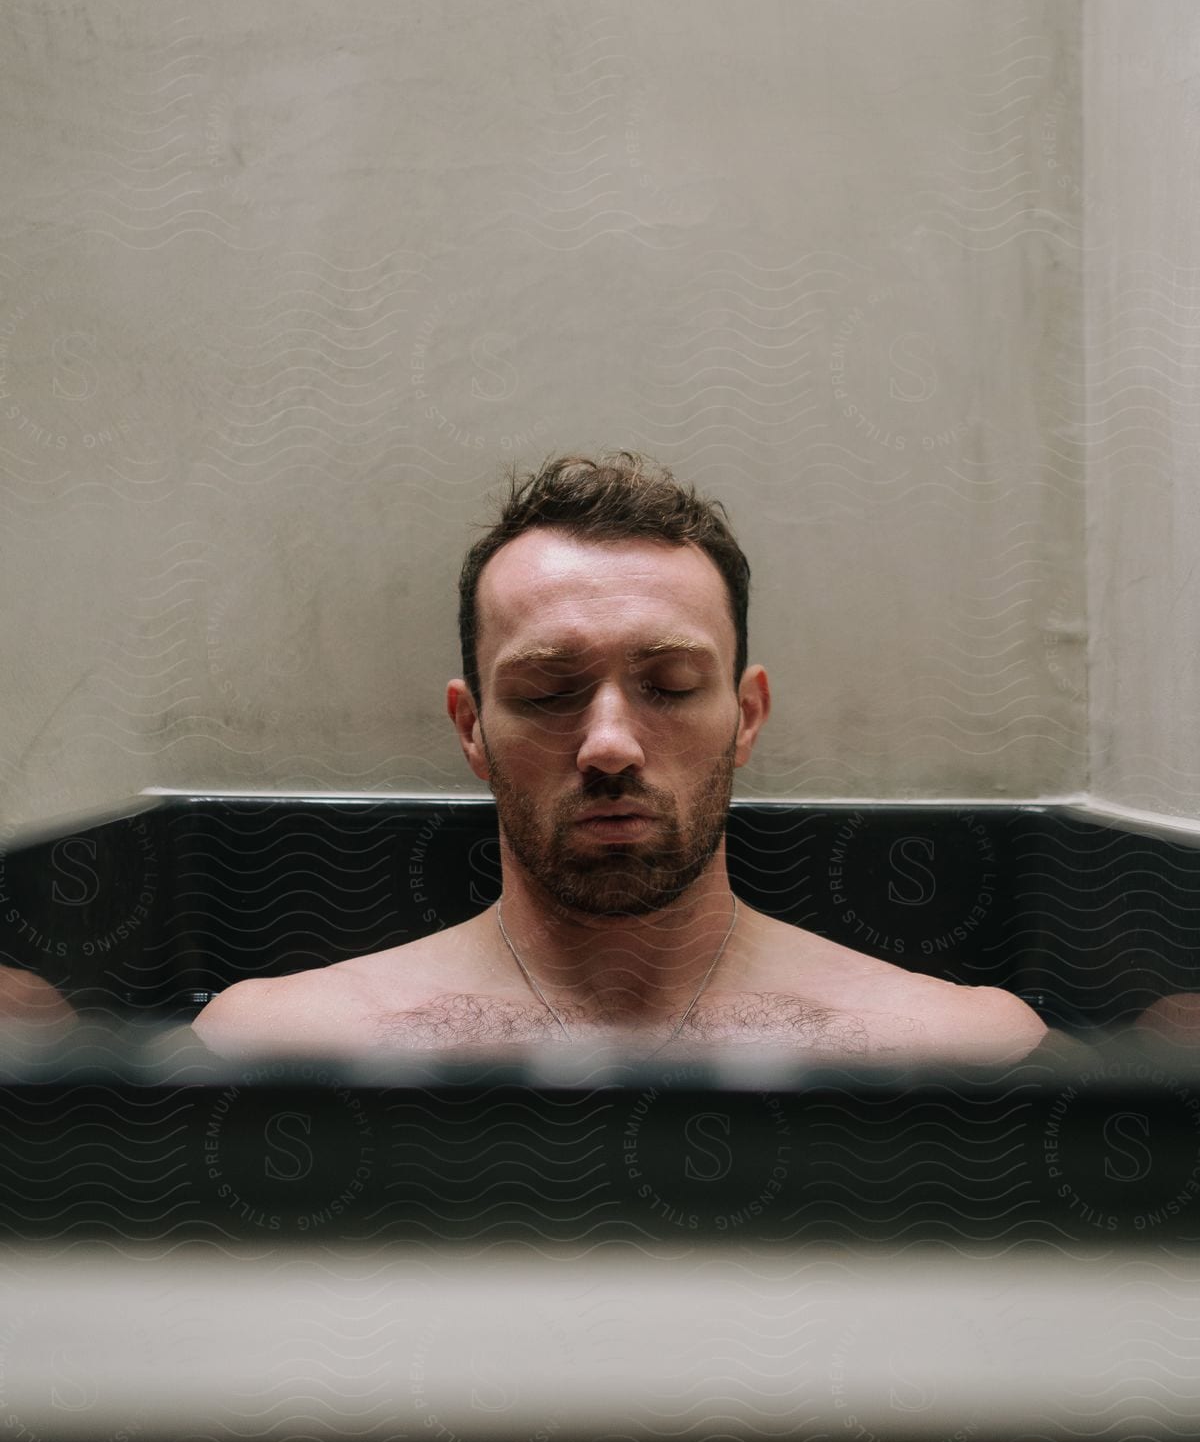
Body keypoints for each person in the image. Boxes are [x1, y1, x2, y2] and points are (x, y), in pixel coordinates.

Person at [194, 452, 1048, 1059]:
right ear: (471, 731)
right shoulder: (282, 1045)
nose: (608, 744)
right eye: (548, 692)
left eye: (670, 686)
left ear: (747, 718)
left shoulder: (956, 1050)